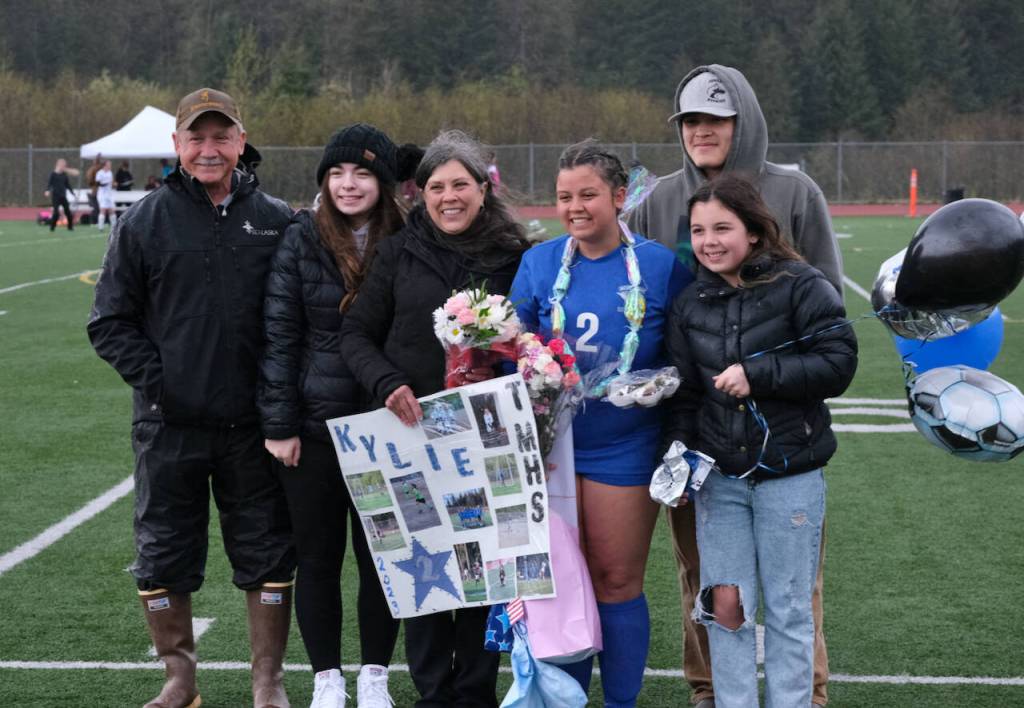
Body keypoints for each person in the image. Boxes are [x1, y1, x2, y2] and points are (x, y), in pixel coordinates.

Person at [626, 64, 843, 708]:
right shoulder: (658, 200)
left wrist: (773, 374)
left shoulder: (794, 191)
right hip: (697, 426)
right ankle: (708, 688)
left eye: (716, 120)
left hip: (780, 427)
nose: (702, 132)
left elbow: (826, 300)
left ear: (743, 120)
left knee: (793, 580)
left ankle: (810, 692)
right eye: (691, 121)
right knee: (704, 572)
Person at [87, 87, 295, 708]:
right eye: (196, 138)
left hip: (254, 426)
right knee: (163, 551)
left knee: (267, 550)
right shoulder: (143, 220)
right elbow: (109, 322)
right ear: (176, 145)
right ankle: (180, 681)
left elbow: (298, 317)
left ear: (241, 140)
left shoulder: (277, 218)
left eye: (220, 136)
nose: (209, 149)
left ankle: (269, 682)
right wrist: (166, 384)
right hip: (169, 426)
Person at [341, 129, 530, 708]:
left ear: (483, 188)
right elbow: (354, 334)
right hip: (412, 438)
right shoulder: (398, 253)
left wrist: (510, 349)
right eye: (436, 186)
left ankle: (474, 689)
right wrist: (387, 382)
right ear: (420, 193)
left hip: (483, 441)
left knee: (480, 569)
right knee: (424, 569)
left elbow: (535, 337)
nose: (449, 197)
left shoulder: (515, 255)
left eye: (461, 185)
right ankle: (432, 691)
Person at [662, 175, 857, 707]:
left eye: (723, 227)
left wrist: (759, 373)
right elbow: (683, 397)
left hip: (790, 477)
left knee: (791, 607)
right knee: (725, 606)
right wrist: (677, 459)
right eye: (699, 230)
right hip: (718, 482)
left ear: (753, 230)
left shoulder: (801, 284)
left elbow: (839, 364)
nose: (710, 240)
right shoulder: (689, 303)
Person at [510, 140, 690, 706]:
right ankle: (569, 697)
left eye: (588, 194)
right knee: (563, 584)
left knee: (615, 581)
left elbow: (686, 355)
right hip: (552, 447)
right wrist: (517, 353)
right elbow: (510, 344)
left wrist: (659, 383)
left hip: (624, 447)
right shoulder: (539, 261)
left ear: (618, 197)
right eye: (564, 197)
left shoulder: (660, 267)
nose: (575, 207)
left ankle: (620, 702)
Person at [259, 123, 418, 708]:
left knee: (382, 558)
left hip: (386, 427)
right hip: (314, 429)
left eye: (362, 173)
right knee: (318, 558)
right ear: (324, 179)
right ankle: (327, 677)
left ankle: (374, 673)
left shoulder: (405, 236)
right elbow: (279, 335)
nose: (348, 185)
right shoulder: (301, 237)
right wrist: (279, 425)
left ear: (383, 182)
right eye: (337, 173)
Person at [44, 158, 79, 231]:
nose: (64, 166)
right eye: (62, 165)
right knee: (56, 213)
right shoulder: (53, 174)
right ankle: (52, 228)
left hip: (63, 196)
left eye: (64, 165)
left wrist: (72, 193)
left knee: (68, 212)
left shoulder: (64, 175)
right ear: (58, 165)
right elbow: (49, 184)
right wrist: (47, 191)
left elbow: (67, 185)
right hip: (55, 196)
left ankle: (70, 227)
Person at [95, 159, 116, 229]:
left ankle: (114, 227)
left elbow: (111, 183)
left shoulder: (110, 172)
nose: (110, 166)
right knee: (103, 210)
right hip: (102, 194)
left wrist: (114, 184)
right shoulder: (100, 173)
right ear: (105, 165)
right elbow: (98, 184)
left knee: (112, 210)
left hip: (109, 194)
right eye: (109, 164)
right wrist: (106, 183)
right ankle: (100, 227)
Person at [85, 154, 102, 224]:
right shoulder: (94, 169)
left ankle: (97, 221)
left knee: (98, 208)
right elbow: (90, 180)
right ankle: (94, 221)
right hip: (95, 192)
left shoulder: (96, 169)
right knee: (96, 208)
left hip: (98, 191)